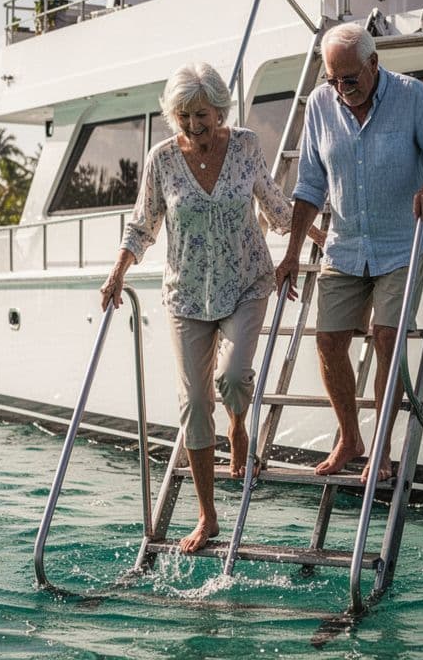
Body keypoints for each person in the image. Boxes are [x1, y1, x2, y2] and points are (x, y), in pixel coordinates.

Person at [101, 62, 298, 554]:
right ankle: (207, 516)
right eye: (184, 116)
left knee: (233, 377)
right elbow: (142, 223)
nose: (193, 125)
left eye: (202, 115)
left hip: (248, 281)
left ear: (219, 108)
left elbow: (274, 204)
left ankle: (237, 422)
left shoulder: (247, 145)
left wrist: (308, 237)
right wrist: (118, 272)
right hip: (187, 295)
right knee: (193, 405)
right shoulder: (161, 159)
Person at [274, 23, 423, 483]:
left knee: (386, 338)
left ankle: (379, 447)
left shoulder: (411, 95)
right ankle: (350, 438)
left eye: (350, 79)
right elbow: (310, 186)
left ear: (373, 64)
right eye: (333, 80)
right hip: (345, 244)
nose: (341, 89)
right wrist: (293, 253)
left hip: (402, 243)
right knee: (328, 340)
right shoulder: (321, 105)